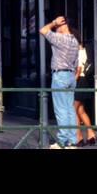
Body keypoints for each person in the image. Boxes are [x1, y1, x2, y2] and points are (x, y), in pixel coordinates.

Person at [40, 14, 80, 148]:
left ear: (63, 25)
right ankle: (72, 140)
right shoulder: (74, 40)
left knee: (61, 109)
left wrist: (52, 22)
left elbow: (43, 30)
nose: (55, 29)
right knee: (70, 109)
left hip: (60, 75)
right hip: (70, 76)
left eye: (57, 26)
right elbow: (76, 63)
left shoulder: (60, 38)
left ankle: (62, 140)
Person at [72, 30, 97, 146]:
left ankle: (78, 137)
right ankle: (91, 134)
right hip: (83, 81)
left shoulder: (76, 50)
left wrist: (72, 81)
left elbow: (78, 69)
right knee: (81, 110)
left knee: (74, 111)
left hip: (78, 80)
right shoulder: (83, 49)